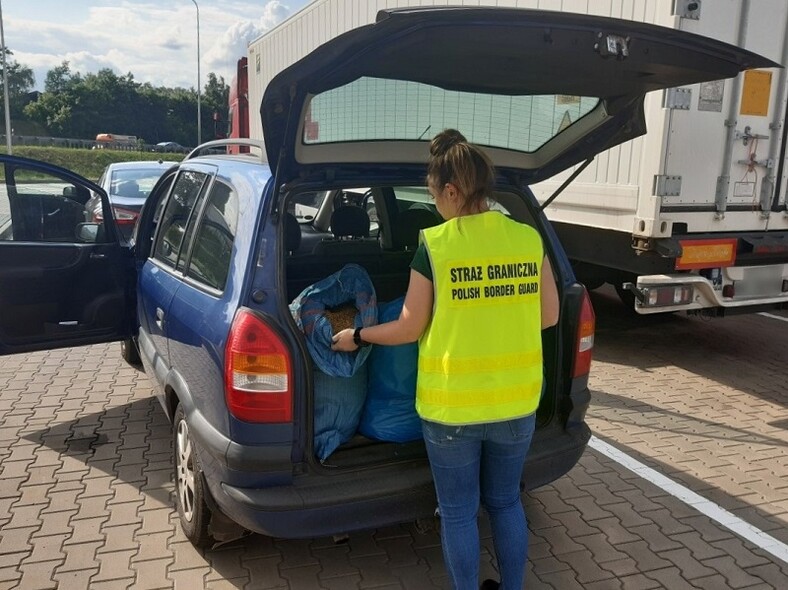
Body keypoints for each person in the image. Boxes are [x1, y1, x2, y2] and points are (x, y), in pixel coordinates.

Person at [332, 129, 560, 590]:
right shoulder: (526, 238)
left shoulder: (436, 245)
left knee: (458, 512)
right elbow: (550, 315)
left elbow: (410, 327)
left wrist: (356, 334)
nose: (435, 204)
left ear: (453, 191)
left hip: (453, 409)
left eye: (435, 195)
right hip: (516, 405)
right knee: (506, 503)